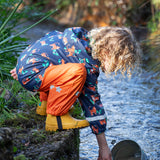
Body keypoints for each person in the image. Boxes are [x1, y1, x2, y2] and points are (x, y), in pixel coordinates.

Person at [10, 26, 141, 160]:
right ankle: (56, 117)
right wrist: (103, 146)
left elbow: (49, 39)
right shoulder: (86, 63)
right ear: (108, 53)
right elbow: (92, 103)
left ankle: (44, 105)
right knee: (77, 72)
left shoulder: (77, 38)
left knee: (60, 62)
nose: (116, 69)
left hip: (28, 64)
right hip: (32, 73)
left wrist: (24, 65)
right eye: (118, 63)